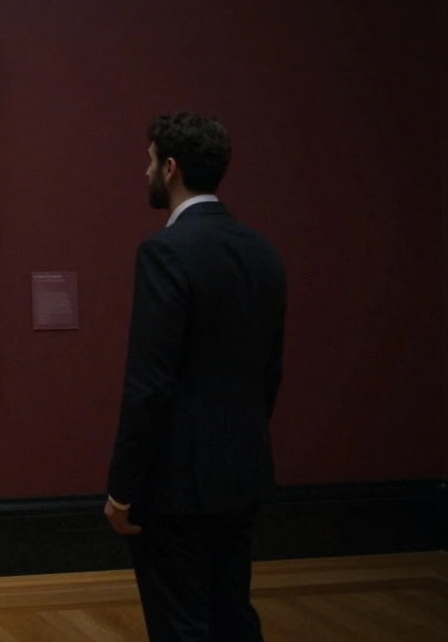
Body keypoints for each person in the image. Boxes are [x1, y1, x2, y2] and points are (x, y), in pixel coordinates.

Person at [105, 113, 286, 642]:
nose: (145, 173)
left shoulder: (164, 251)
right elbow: (269, 370)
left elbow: (150, 382)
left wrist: (122, 486)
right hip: (243, 467)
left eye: (149, 161)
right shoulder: (263, 250)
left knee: (180, 622)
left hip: (176, 482)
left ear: (171, 167)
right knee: (233, 614)